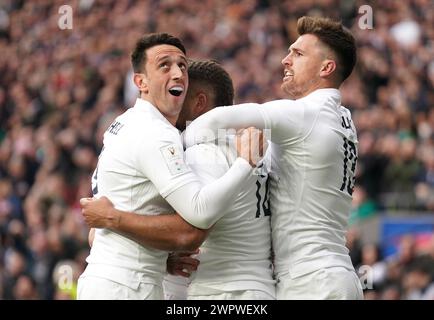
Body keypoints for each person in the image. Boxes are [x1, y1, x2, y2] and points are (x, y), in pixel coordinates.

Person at [182, 16, 363, 299]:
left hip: (310, 281)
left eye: (298, 54)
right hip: (333, 273)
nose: (285, 60)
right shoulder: (343, 117)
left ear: (327, 67)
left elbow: (209, 122)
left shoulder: (305, 114)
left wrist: (164, 146)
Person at [77, 33, 265, 300]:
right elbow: (193, 226)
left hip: (113, 278)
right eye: (164, 65)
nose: (177, 73)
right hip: (127, 286)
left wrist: (161, 256)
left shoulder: (123, 124)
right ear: (140, 81)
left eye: (182, 66)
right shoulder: (156, 133)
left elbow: (97, 233)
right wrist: (245, 163)